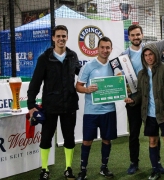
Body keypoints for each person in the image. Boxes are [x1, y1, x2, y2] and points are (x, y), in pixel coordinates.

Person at [121, 15, 164, 175]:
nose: (135, 37)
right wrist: (124, 91)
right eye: (132, 35)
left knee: (155, 133)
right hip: (135, 98)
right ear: (129, 37)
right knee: (134, 134)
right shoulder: (123, 55)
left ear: (142, 35)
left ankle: (158, 165)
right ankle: (134, 162)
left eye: (138, 34)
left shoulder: (153, 47)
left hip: (155, 99)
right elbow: (119, 77)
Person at [27, 25, 82, 180]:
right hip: (50, 106)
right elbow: (35, 83)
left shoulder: (72, 56)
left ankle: (68, 169)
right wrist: (31, 105)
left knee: (69, 138)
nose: (61, 39)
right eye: (58, 36)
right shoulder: (44, 58)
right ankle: (44, 170)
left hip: (69, 105)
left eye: (63, 36)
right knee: (46, 138)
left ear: (67, 37)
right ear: (53, 38)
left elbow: (82, 73)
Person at [76, 37, 117, 180]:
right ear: (97, 49)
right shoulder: (88, 66)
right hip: (91, 111)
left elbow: (121, 84)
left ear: (111, 49)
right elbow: (78, 86)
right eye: (103, 47)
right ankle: (83, 170)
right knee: (87, 141)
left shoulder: (114, 66)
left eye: (108, 48)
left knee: (107, 140)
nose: (105, 50)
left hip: (109, 110)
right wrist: (87, 90)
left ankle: (104, 168)